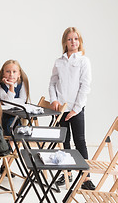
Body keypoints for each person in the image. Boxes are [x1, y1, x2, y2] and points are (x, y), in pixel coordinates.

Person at [49, 27, 94, 190]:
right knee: (64, 141)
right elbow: (53, 82)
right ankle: (66, 173)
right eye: (69, 39)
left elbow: (85, 86)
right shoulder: (59, 61)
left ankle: (85, 177)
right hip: (61, 108)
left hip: (76, 108)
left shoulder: (83, 61)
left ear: (80, 42)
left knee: (80, 141)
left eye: (76, 39)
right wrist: (54, 100)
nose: (73, 42)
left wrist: (76, 108)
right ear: (65, 42)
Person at [0, 59, 30, 136]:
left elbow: (22, 100)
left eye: (14, 72)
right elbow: (6, 101)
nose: (11, 74)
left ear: (19, 74)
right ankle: (11, 143)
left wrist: (9, 103)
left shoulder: (23, 83)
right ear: (3, 73)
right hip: (3, 114)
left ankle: (12, 143)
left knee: (14, 121)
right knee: (10, 122)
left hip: (19, 113)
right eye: (8, 71)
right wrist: (11, 86)